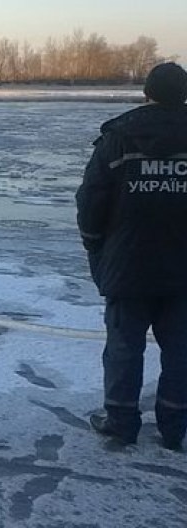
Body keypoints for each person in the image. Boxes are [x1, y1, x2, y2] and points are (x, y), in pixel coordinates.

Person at [76, 62, 187, 451]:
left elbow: (92, 199)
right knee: (182, 348)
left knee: (125, 346)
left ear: (147, 93)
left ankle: (121, 422)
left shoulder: (119, 137)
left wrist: (94, 244)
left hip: (128, 263)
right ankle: (175, 425)